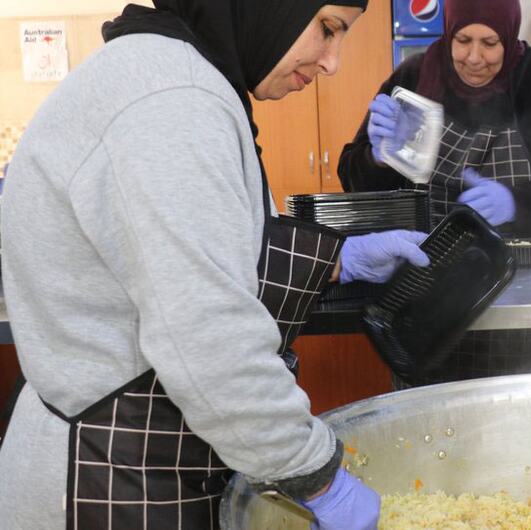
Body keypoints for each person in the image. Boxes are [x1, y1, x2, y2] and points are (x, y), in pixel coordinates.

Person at [0, 1, 431, 528]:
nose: (332, 62)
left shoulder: (175, 76)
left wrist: (342, 259)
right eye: (327, 29)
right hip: (110, 477)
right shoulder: (172, 102)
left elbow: (214, 254)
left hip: (147, 458)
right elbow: (208, 340)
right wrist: (317, 477)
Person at [338, 0, 531, 387]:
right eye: (462, 40)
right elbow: (352, 175)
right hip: (431, 290)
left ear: (509, 38)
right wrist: (378, 160)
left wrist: (518, 202)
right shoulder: (414, 79)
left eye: (490, 42)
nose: (474, 57)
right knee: (437, 419)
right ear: (448, 33)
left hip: (529, 289)